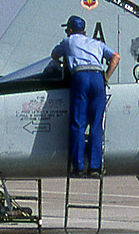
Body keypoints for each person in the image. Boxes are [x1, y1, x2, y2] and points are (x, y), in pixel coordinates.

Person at [51, 16, 120, 175]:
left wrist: (63, 65)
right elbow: (115, 57)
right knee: (96, 124)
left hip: (80, 77)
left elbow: (54, 55)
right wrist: (106, 78)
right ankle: (95, 167)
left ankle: (78, 166)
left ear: (69, 30)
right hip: (97, 78)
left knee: (78, 123)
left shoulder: (68, 41)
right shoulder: (96, 43)